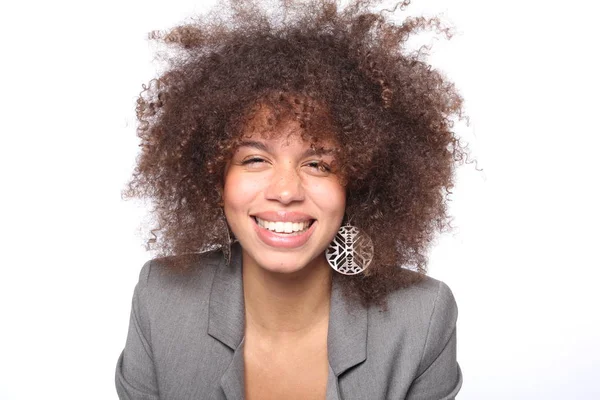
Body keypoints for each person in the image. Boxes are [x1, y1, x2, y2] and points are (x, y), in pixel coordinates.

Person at [116, 0, 466, 399]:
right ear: (215, 178)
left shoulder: (420, 318)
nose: (285, 191)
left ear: (362, 183)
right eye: (254, 159)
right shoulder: (161, 300)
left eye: (318, 164)